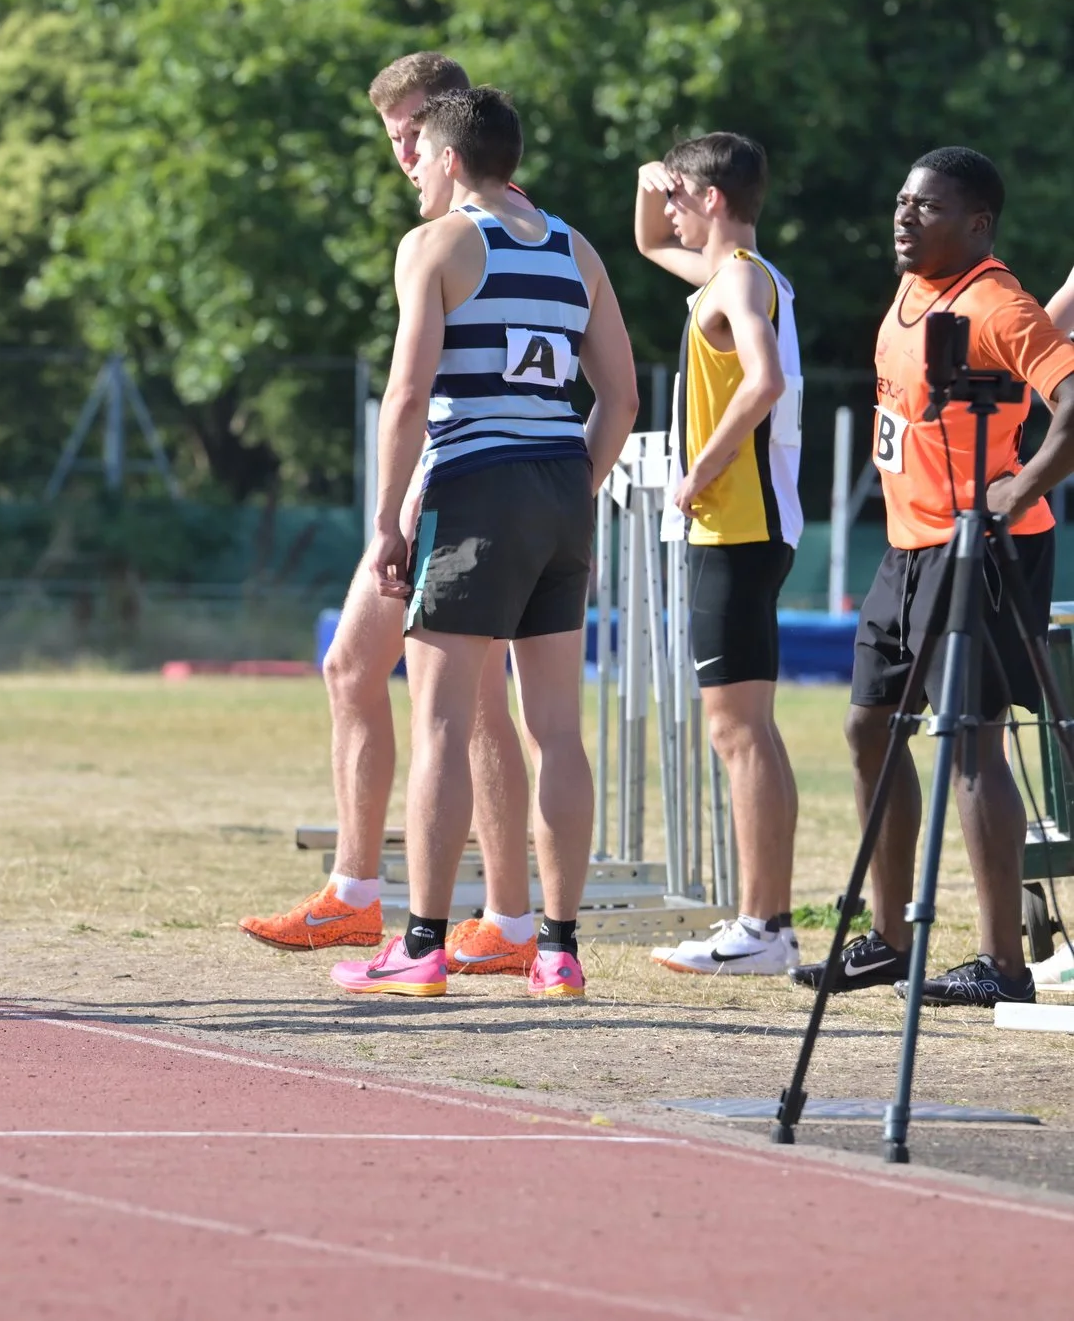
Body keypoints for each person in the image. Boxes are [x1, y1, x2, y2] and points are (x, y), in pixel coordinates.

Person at [333, 87, 638, 1000]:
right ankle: (559, 950)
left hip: (473, 487)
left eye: (419, 155)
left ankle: (421, 944)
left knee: (441, 719)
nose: (413, 172)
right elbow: (621, 398)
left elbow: (405, 396)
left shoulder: (435, 245)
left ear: (451, 158)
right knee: (557, 731)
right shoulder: (578, 249)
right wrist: (573, 488)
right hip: (560, 485)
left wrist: (386, 521)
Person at [242, 53, 542, 979]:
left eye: (414, 132)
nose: (405, 153)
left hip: (462, 484)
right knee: (382, 674)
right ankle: (444, 905)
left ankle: (456, 912)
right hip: (484, 481)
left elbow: (421, 392)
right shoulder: (493, 224)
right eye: (393, 138)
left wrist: (398, 506)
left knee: (467, 701)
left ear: (451, 130)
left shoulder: (474, 226)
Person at [795, 147, 1074, 1007]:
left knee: (972, 743)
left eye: (928, 206)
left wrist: (1015, 491)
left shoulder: (995, 301)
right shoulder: (920, 284)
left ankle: (1003, 965)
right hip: (907, 546)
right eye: (901, 202)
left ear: (978, 223)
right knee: (868, 728)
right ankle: (886, 941)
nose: (904, 217)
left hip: (981, 548)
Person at [631, 134, 806, 976]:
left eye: (678, 195)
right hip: (748, 527)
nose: (668, 210)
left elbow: (762, 379)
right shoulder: (745, 274)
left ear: (712, 197)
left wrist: (700, 466)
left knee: (736, 730)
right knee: (750, 729)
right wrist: (648, 182)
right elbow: (647, 241)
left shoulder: (736, 278)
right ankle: (770, 923)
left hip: (735, 524)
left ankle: (761, 926)